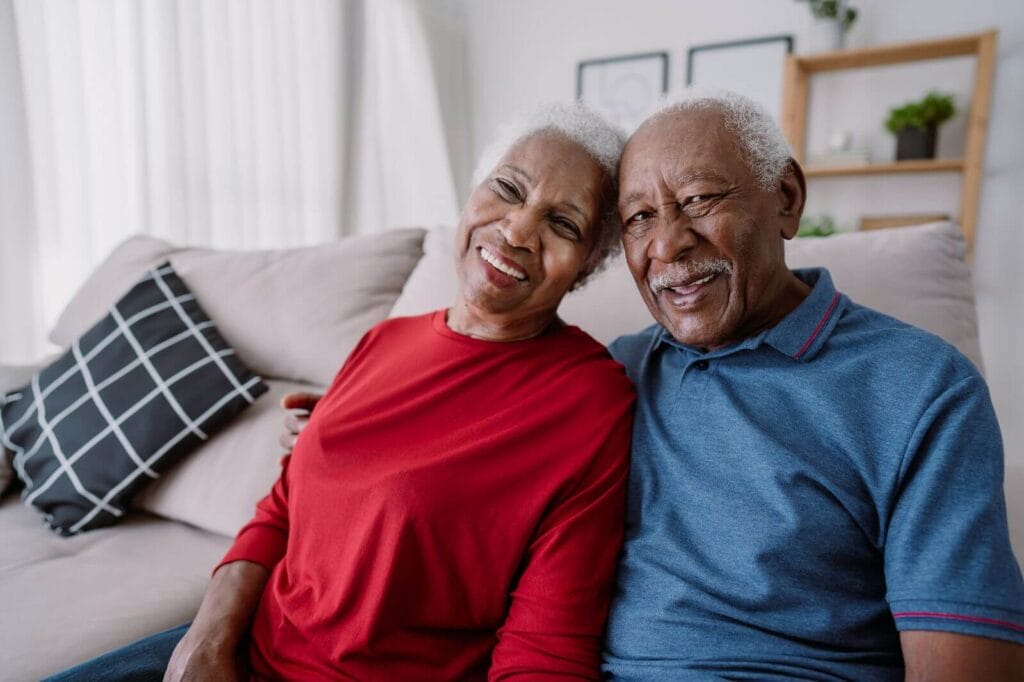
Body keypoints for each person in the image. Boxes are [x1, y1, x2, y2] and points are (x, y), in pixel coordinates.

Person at [47, 104, 635, 681]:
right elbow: (281, 508)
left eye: (564, 224)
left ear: (586, 267)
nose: (518, 229)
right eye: (508, 188)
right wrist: (204, 640)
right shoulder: (383, 340)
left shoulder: (588, 402)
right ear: (473, 193)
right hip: (236, 643)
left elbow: (547, 647)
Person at [600, 89, 1023, 680]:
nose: (666, 244)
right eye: (639, 217)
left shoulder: (924, 387)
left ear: (787, 198)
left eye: (697, 200)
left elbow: (965, 664)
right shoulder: (613, 375)